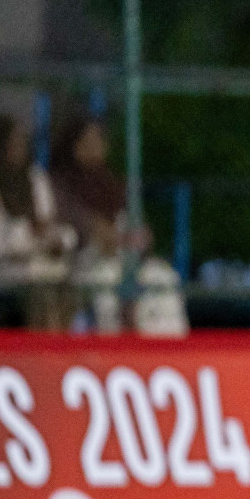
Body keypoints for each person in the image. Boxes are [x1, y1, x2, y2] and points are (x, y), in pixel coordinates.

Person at [51, 115, 187, 336]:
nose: (97, 147)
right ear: (75, 146)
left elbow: (136, 227)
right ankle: (115, 350)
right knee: (107, 279)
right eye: (89, 141)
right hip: (85, 262)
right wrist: (102, 235)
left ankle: (169, 351)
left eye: (99, 140)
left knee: (163, 276)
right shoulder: (61, 184)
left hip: (127, 258)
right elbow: (78, 226)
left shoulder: (113, 183)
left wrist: (139, 237)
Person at [0, 114, 77, 329]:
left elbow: (54, 228)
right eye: (13, 144)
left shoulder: (35, 180)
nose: (20, 149)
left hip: (38, 271)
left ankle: (60, 355)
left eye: (22, 142)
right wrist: (25, 233)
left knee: (67, 284)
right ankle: (36, 356)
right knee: (38, 293)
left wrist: (55, 240)